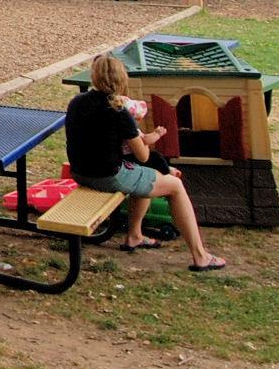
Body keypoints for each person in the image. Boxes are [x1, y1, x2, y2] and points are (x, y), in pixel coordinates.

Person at [66, 53, 226, 271]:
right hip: (108, 176)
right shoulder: (120, 111)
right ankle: (200, 256)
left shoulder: (76, 102)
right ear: (122, 79)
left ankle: (134, 235)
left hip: (79, 172)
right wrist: (151, 141)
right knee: (175, 186)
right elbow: (142, 155)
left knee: (144, 175)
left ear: (94, 77)